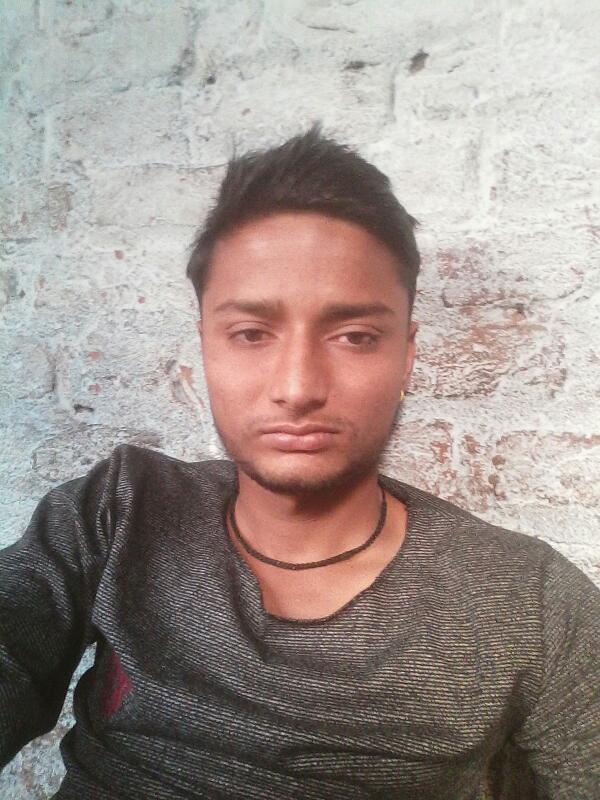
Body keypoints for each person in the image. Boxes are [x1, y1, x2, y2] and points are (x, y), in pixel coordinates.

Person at [0, 126, 598, 800]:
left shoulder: (528, 600)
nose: (298, 387)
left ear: (406, 357)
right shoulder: (120, 511)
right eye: (251, 334)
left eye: (355, 336)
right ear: (205, 348)